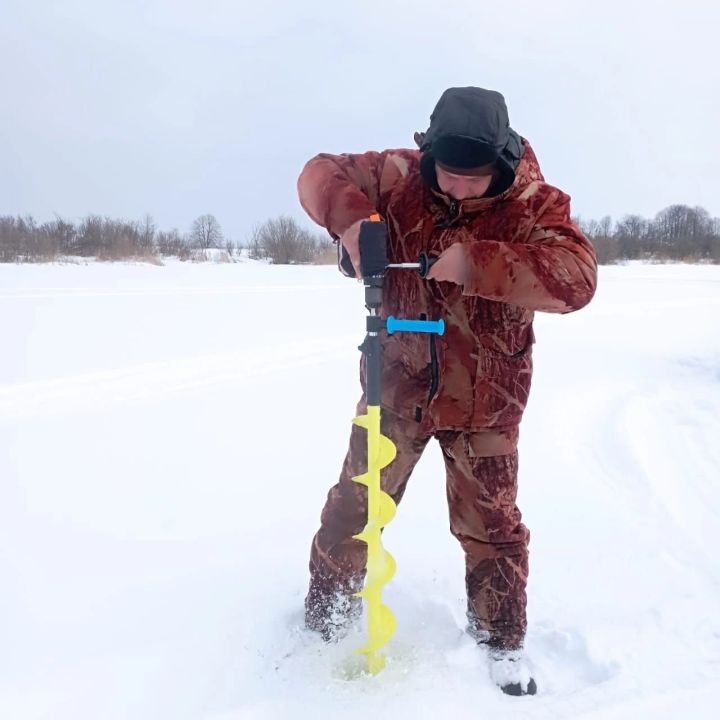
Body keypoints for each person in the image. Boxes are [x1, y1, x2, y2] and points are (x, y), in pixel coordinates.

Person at [296, 86, 597, 696]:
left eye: (474, 178)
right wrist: (352, 223)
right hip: (394, 390)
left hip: (487, 401)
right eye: (448, 174)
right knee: (353, 509)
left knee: (493, 529)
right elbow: (316, 174)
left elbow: (578, 279)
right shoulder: (398, 176)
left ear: (503, 162)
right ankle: (324, 622)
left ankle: (499, 640)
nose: (458, 189)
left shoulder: (536, 203)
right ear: (428, 153)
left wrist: (478, 264)